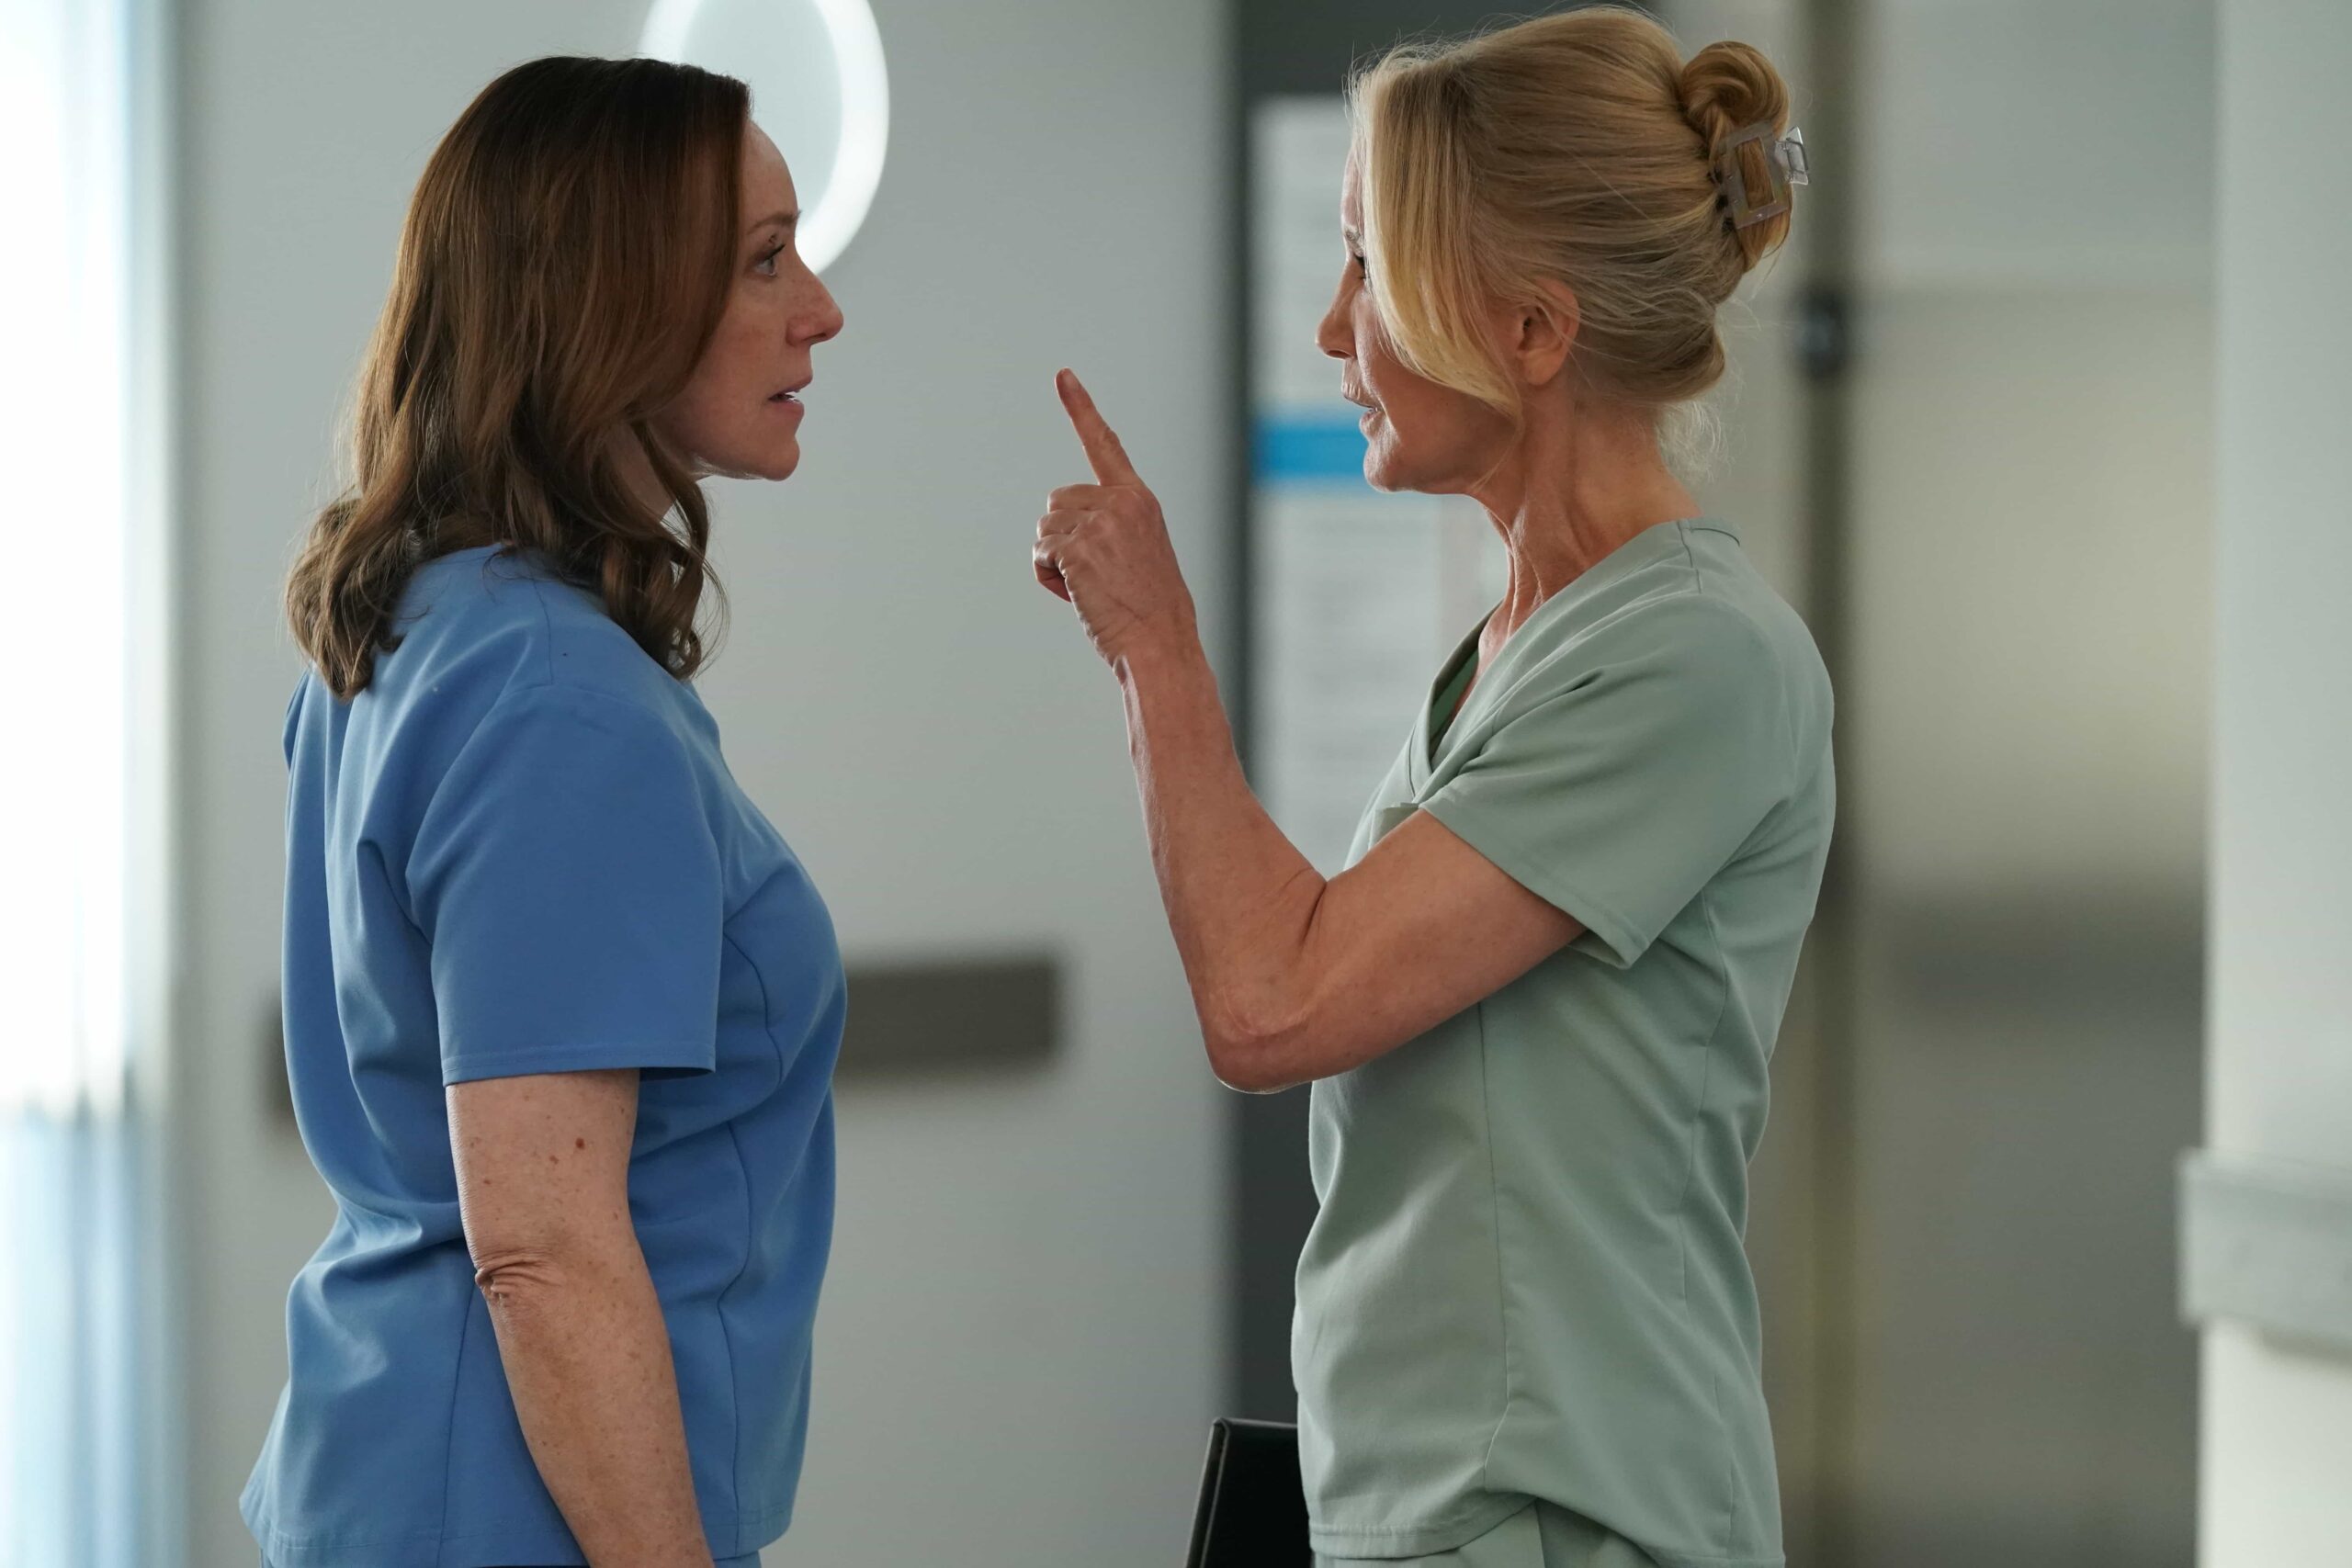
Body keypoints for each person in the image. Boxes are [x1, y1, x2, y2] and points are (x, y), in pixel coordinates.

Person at [1032, 9, 1829, 1568]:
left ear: (1531, 331)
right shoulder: (1517, 647)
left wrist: (1157, 648)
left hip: (1567, 1513)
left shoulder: (1694, 658)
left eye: (1370, 268)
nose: (1333, 330)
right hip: (1431, 1498)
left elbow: (1273, 1000)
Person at [243, 57, 845, 1568]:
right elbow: (547, 1253)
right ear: (609, 304)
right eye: (765, 260)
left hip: (409, 1474)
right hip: (517, 1510)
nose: (821, 308)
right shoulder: (558, 698)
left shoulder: (425, 626)